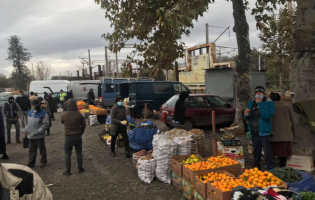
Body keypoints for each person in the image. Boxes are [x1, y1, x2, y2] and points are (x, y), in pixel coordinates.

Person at [244, 86, 275, 170]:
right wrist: (246, 115)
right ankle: (257, 169)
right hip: (254, 132)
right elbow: (247, 115)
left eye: (260, 92)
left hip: (264, 132)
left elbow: (267, 116)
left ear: (264, 94)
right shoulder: (251, 102)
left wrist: (260, 104)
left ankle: (270, 170)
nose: (258, 94)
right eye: (257, 92)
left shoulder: (269, 103)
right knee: (256, 152)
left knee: (267, 152)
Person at [61, 99, 86, 175]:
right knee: (79, 152)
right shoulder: (79, 114)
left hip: (68, 136)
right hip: (78, 136)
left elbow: (62, 122)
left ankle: (68, 170)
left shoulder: (64, 114)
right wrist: (80, 133)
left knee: (67, 154)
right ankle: (80, 168)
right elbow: (83, 125)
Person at [270, 92, 295, 167]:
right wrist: (293, 133)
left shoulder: (270, 107)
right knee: (284, 153)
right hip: (286, 135)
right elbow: (292, 121)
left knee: (273, 152)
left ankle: (273, 167)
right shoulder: (287, 107)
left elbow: (270, 121)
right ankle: (283, 166)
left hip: (274, 135)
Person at [25, 100, 50, 168]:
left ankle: (43, 161)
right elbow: (27, 122)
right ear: (33, 105)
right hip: (30, 135)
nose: (37, 105)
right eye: (35, 104)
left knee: (42, 149)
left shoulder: (44, 113)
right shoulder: (30, 112)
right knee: (31, 150)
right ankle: (31, 163)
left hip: (39, 136)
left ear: (40, 104)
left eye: (38, 104)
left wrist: (39, 131)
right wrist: (26, 129)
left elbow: (46, 124)